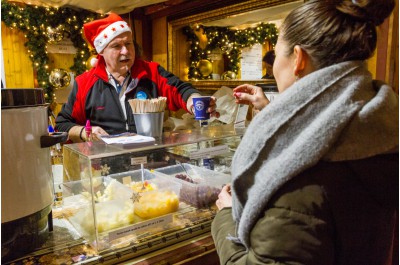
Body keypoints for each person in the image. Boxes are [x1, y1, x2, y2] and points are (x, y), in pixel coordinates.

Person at [212, 0, 398, 264]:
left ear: (298, 59)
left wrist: (225, 216)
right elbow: (326, 123)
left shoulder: (298, 178)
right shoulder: (377, 124)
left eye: (277, 54)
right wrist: (267, 109)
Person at [55, 13, 218, 142]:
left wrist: (193, 100)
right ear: (102, 52)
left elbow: (180, 89)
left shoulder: (151, 71)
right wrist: (85, 132)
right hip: (105, 167)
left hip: (152, 163)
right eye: (117, 46)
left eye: (128, 44)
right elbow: (62, 124)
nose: (125, 51)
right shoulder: (84, 83)